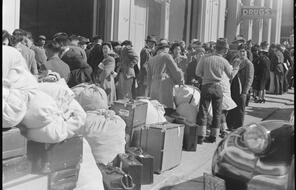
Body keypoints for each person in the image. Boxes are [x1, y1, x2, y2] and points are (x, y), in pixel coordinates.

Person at [195, 38, 240, 144]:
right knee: (217, 112)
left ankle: (201, 135)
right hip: (218, 87)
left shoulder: (205, 58)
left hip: (206, 86)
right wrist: (236, 68)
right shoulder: (224, 61)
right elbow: (230, 76)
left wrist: (205, 76)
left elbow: (198, 73)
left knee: (203, 111)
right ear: (224, 50)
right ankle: (213, 136)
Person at [147, 41, 184, 109]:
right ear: (165, 48)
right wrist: (181, 80)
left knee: (156, 109)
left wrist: (149, 89)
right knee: (166, 109)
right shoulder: (166, 56)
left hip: (154, 86)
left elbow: (148, 77)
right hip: (164, 85)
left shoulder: (151, 59)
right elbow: (175, 70)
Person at [226, 45, 254, 131]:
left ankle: (238, 127)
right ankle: (230, 125)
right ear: (237, 52)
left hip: (242, 89)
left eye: (244, 51)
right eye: (241, 51)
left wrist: (245, 91)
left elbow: (250, 78)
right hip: (233, 88)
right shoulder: (235, 61)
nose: (242, 53)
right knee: (231, 107)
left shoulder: (248, 63)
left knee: (240, 109)